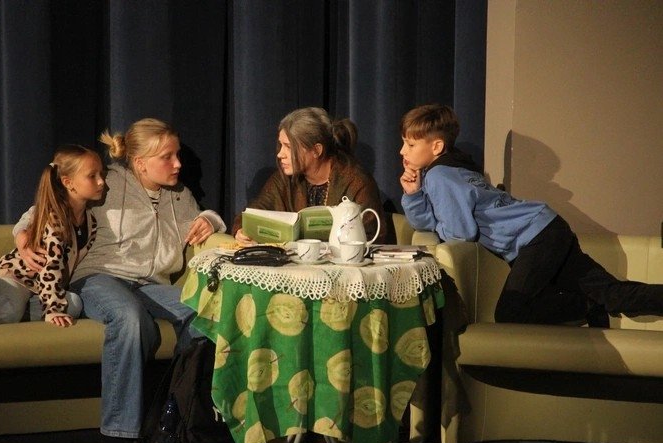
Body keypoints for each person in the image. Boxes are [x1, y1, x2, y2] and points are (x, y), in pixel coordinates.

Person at [15, 118, 227, 443]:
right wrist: (23, 235)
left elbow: (205, 221)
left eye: (177, 155)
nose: (178, 164)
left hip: (150, 285)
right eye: (167, 157)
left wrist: (211, 219)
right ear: (140, 163)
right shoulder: (109, 182)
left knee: (202, 311)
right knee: (129, 317)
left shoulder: (181, 197)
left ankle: (178, 416)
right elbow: (49, 204)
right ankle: (120, 432)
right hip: (99, 277)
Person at [398, 103, 663, 326]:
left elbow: (459, 233)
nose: (402, 151)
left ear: (436, 146)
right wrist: (414, 195)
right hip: (549, 227)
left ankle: (587, 305)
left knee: (510, 312)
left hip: (537, 238)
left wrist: (433, 216)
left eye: (410, 144)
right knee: (611, 293)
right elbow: (431, 223)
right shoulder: (457, 168)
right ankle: (592, 304)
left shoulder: (440, 176)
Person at [0, 145, 104, 327]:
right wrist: (53, 308)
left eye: (101, 174)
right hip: (14, 279)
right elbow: (51, 267)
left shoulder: (90, 221)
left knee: (74, 304)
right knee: (11, 308)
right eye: (92, 176)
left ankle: (16, 312)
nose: (101, 182)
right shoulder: (54, 218)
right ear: (68, 182)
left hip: (39, 290)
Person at [232, 106, 387, 243]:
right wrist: (242, 230)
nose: (280, 154)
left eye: (288, 147)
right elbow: (253, 213)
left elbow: (370, 234)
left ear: (316, 150)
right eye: (281, 145)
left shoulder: (356, 181)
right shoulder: (285, 179)